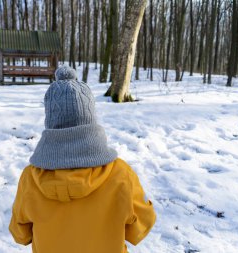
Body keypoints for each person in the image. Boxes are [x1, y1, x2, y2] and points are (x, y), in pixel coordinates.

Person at [9, 65, 156, 253]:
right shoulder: (121, 174)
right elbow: (140, 228)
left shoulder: (30, 177)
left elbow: (20, 235)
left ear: (50, 120)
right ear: (90, 117)